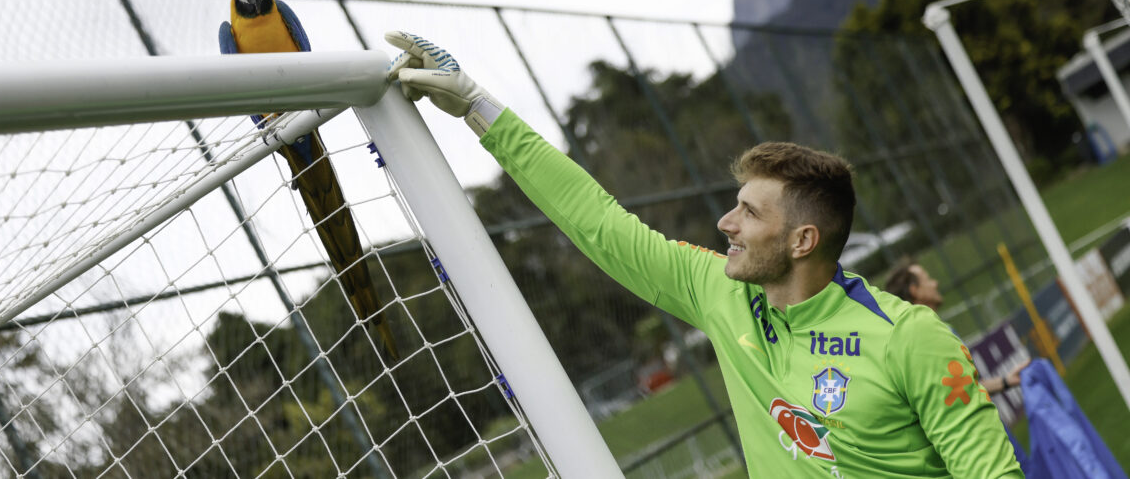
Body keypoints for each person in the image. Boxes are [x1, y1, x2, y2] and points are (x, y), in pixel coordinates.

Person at [384, 32, 1024, 478]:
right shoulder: (722, 292)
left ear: (803, 241)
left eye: (749, 212)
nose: (726, 222)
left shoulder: (910, 337)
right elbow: (601, 224)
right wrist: (478, 107)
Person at [885, 261, 1029, 396]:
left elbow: (968, 387)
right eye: (927, 279)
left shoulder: (943, 329)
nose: (935, 283)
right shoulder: (923, 341)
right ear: (915, 291)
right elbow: (954, 394)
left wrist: (1005, 381)